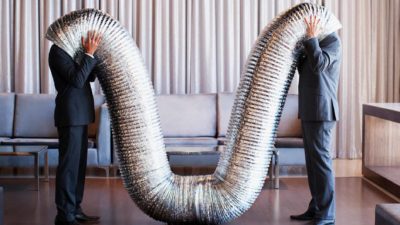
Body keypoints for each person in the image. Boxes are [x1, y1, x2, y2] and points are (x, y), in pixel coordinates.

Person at [290, 16, 341, 225]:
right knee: (312, 164)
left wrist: (311, 39)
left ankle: (327, 214)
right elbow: (306, 68)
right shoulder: (316, 43)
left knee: (321, 163)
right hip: (310, 110)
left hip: (322, 111)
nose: (309, 28)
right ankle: (316, 208)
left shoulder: (332, 42)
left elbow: (320, 65)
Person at [49, 31, 102, 225]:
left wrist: (92, 55)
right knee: (68, 167)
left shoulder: (72, 50)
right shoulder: (58, 52)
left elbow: (89, 77)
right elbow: (77, 80)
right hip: (70, 116)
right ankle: (64, 215)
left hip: (80, 115)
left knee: (78, 166)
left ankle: (74, 208)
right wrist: (88, 55)